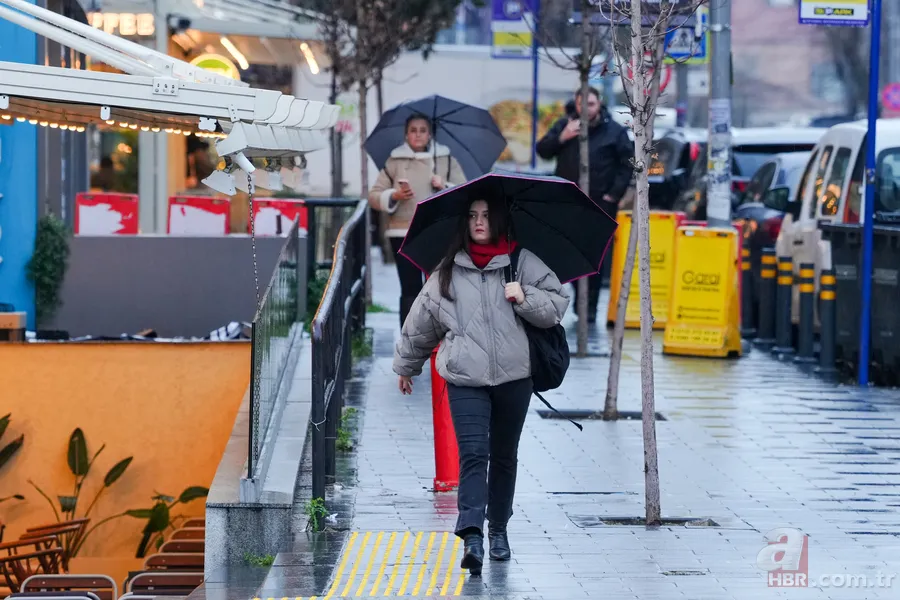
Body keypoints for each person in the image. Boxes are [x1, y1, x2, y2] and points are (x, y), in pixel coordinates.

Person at [392, 197, 569, 575]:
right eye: (472, 215)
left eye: (486, 216)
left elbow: (556, 306)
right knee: (473, 453)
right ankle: (471, 533)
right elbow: (422, 320)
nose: (479, 222)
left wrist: (525, 297)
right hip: (464, 377)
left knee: (504, 456)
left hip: (514, 378)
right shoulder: (447, 270)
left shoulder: (523, 262)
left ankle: (498, 530)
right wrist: (407, 365)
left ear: (500, 219)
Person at [536, 86, 634, 322]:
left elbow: (628, 164)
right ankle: (575, 299)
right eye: (582, 104)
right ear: (576, 104)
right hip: (568, 202)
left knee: (595, 258)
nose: (586, 109)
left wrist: (613, 195)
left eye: (590, 104)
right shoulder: (566, 125)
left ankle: (589, 308)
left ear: (599, 104)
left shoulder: (614, 131)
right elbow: (543, 150)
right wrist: (562, 137)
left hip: (600, 204)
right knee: (565, 252)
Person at [369, 116, 467, 328]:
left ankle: (437, 338)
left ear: (430, 134)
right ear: (406, 134)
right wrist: (395, 195)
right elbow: (374, 196)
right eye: (413, 130)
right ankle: (409, 339)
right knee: (410, 288)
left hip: (438, 232)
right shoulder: (395, 161)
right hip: (403, 232)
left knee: (438, 287)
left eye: (423, 130)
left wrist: (444, 185)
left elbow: (465, 191)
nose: (418, 134)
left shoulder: (445, 159)